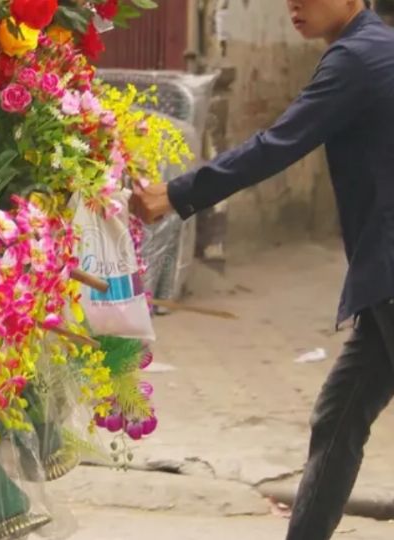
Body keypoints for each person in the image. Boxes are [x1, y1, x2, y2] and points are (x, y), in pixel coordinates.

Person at [130, 1, 394, 539]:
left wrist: (176, 194)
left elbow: (276, 145)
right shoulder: (370, 50)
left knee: (339, 418)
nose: (293, 5)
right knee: (338, 417)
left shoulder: (359, 59)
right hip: (383, 274)